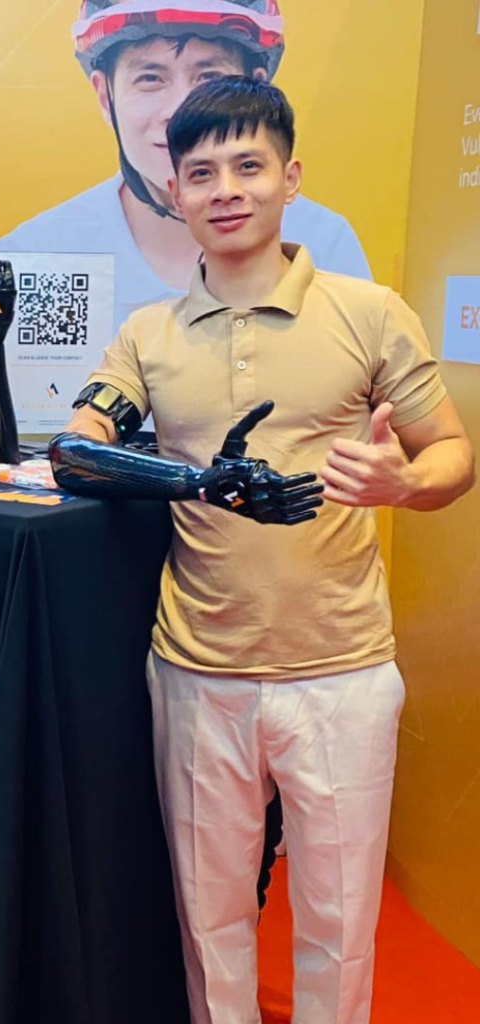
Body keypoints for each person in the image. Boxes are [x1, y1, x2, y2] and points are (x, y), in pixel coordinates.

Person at [48, 76, 474, 1024]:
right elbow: (75, 453)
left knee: (338, 918)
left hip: (343, 671)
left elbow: (452, 452)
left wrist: (406, 482)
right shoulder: (148, 335)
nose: (226, 188)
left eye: (249, 165)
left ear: (291, 177)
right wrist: (197, 482)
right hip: (199, 671)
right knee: (210, 920)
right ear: (174, 192)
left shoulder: (370, 312)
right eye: (201, 172)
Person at [0, 0, 371, 334]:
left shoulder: (326, 248)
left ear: (257, 89)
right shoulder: (29, 260)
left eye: (210, 77)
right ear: (106, 97)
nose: (180, 113)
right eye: (150, 78)